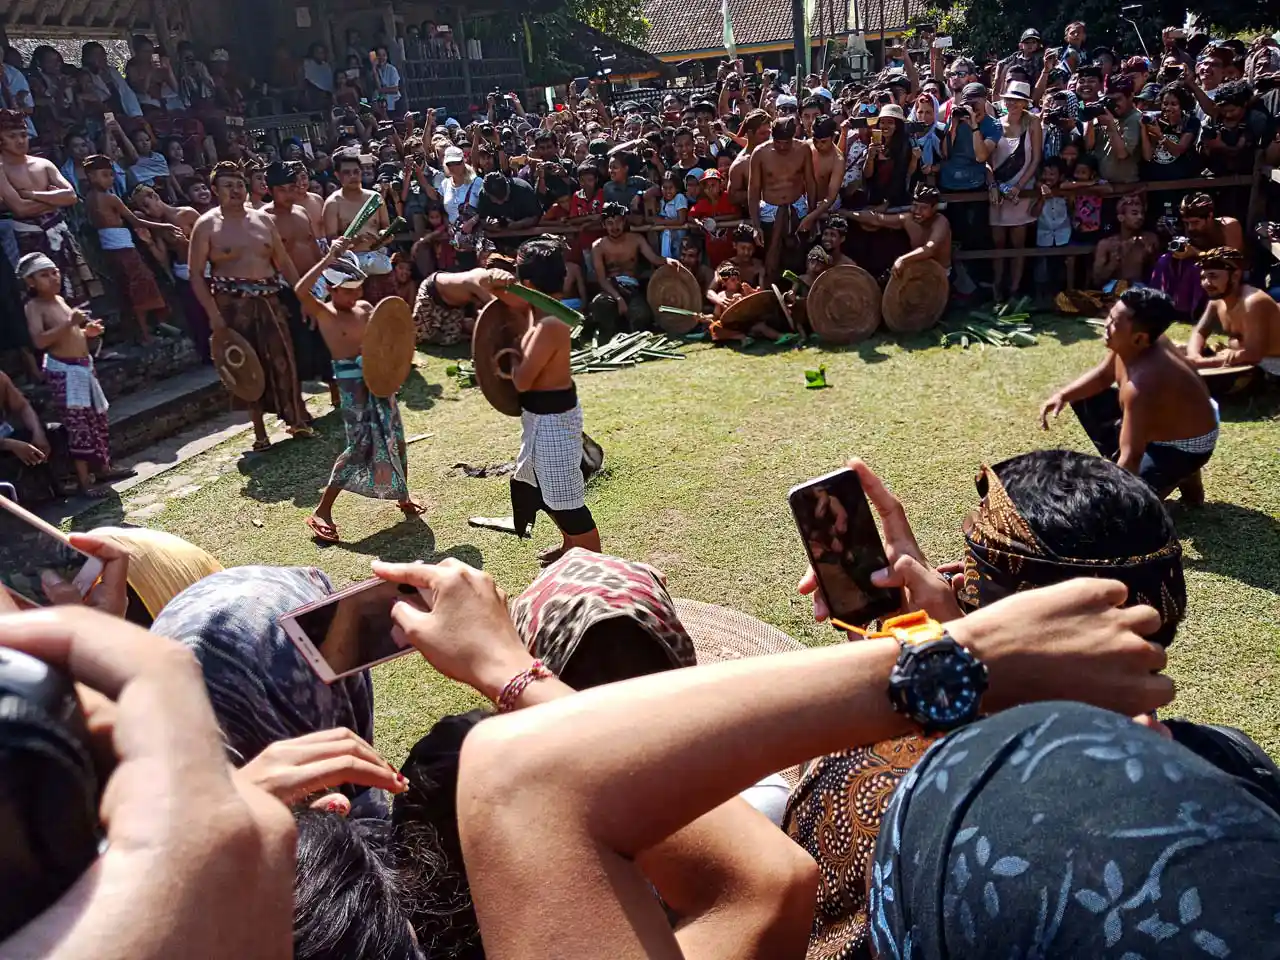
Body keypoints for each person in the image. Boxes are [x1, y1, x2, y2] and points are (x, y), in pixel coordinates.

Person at [293, 239, 421, 543]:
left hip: (378, 380)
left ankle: (402, 495)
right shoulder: (325, 314)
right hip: (352, 386)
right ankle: (322, 510)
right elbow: (299, 290)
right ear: (332, 290)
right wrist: (327, 258)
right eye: (348, 290)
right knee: (359, 446)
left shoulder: (365, 307)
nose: (357, 295)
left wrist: (392, 369)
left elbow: (387, 340)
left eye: (358, 289)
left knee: (395, 437)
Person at [1042, 287, 1218, 502]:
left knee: (1131, 503)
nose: (1106, 324)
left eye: (1115, 322)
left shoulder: (1142, 386)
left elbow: (1130, 458)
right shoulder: (1145, 341)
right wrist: (1063, 395)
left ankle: (1181, 473)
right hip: (1180, 420)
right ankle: (1180, 476)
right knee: (1084, 396)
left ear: (1139, 338)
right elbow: (1102, 377)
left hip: (1188, 444)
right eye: (1110, 316)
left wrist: (1115, 504)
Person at [188, 162, 312, 453]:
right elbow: (195, 274)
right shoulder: (206, 224)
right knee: (246, 366)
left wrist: (304, 297)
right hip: (232, 305)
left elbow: (283, 262)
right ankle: (259, 432)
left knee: (283, 359)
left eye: (239, 184)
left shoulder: (263, 220)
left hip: (270, 299)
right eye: (228, 185)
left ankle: (295, 419)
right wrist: (214, 315)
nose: (235, 190)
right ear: (215, 191)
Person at [501, 237, 602, 562]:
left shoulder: (550, 326)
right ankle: (570, 546)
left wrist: (507, 354)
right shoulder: (542, 315)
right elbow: (502, 297)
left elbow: (523, 380)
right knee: (542, 489)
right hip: (540, 418)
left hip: (554, 421)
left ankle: (596, 565)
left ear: (528, 283)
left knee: (567, 502)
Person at [19, 253, 132, 496]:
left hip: (83, 367)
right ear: (30, 282)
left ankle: (103, 468)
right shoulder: (34, 307)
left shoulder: (59, 300)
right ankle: (85, 483)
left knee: (96, 421)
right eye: (44, 275)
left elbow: (70, 332)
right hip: (65, 372)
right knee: (78, 427)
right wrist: (71, 323)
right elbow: (39, 341)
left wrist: (86, 332)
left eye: (54, 272)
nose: (52, 278)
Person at [82, 155, 180, 342]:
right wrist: (165, 226)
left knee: (129, 289)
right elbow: (135, 221)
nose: (110, 179)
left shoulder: (88, 198)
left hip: (110, 248)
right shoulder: (110, 198)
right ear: (92, 176)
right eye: (104, 175)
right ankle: (145, 334)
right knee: (141, 287)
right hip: (123, 248)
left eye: (111, 175)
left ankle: (145, 330)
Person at [0, 109, 93, 305]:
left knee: (74, 290)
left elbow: (71, 196)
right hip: (28, 238)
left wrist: (34, 195)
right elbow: (20, 209)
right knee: (40, 295)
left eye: (23, 135)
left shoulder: (44, 163)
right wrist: (53, 198)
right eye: (12, 136)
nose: (19, 140)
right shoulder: (1, 169)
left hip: (59, 232)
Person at [130, 183, 211, 362]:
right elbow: (162, 256)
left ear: (155, 197)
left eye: (146, 206)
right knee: (196, 318)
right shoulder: (158, 226)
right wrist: (149, 242)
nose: (148, 213)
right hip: (183, 273)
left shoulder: (187, 213)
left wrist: (186, 242)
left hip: (204, 269)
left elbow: (210, 243)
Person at [1185, 246, 1280, 377]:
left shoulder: (1252, 303)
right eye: (1203, 277)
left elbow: (1253, 354)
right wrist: (1194, 355)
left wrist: (1200, 363)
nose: (1206, 283)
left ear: (1235, 276)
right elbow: (1200, 331)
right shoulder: (1217, 300)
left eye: (1213, 276)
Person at [590, 202, 678, 340]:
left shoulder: (636, 239)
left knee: (642, 315)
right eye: (610, 223)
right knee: (600, 305)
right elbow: (601, 279)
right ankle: (607, 339)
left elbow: (654, 258)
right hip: (611, 288)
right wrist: (618, 298)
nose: (615, 227)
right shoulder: (598, 246)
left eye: (618, 221)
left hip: (632, 287)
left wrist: (667, 261)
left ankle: (633, 339)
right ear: (604, 225)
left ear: (624, 221)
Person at [987, 81, 1041, 301]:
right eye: (1009, 99)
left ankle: (1015, 289)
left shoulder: (1033, 124)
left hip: (1021, 191)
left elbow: (1036, 158)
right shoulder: (995, 124)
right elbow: (987, 160)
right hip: (998, 193)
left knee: (1018, 243)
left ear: (1025, 102)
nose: (1012, 103)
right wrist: (993, 184)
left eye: (1017, 100)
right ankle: (997, 288)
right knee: (998, 243)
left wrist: (1019, 186)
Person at [748, 116, 815, 282]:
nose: (783, 146)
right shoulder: (760, 153)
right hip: (771, 210)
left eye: (787, 142)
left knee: (798, 256)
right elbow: (754, 190)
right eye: (778, 142)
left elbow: (811, 182)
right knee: (771, 257)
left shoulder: (804, 149)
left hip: (797, 207)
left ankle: (797, 294)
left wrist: (812, 216)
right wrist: (756, 225)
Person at [847, 183, 952, 278]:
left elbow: (929, 249)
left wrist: (902, 260)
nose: (917, 211)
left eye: (923, 208)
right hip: (917, 271)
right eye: (915, 205)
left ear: (934, 208)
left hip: (939, 275)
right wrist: (844, 213)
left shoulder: (941, 222)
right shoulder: (909, 219)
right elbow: (877, 219)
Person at [322, 150, 393, 290]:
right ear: (337, 175)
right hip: (351, 266)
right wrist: (354, 241)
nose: (353, 176)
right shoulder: (332, 203)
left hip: (379, 260)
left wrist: (383, 236)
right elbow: (332, 243)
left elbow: (386, 227)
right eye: (347, 173)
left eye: (356, 171)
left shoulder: (375, 198)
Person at [0, 368, 73, 500]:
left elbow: (23, 406)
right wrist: (9, 444)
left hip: (6, 434)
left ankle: (59, 482)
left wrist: (38, 433)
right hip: (4, 443)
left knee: (54, 431)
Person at [1093, 194, 1159, 286]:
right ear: (1121, 217)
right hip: (1113, 291)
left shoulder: (1150, 239)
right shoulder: (1106, 244)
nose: (1140, 217)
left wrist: (1151, 255)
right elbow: (1097, 280)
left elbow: (1159, 274)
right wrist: (1113, 263)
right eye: (1134, 213)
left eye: (1142, 213)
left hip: (1140, 290)